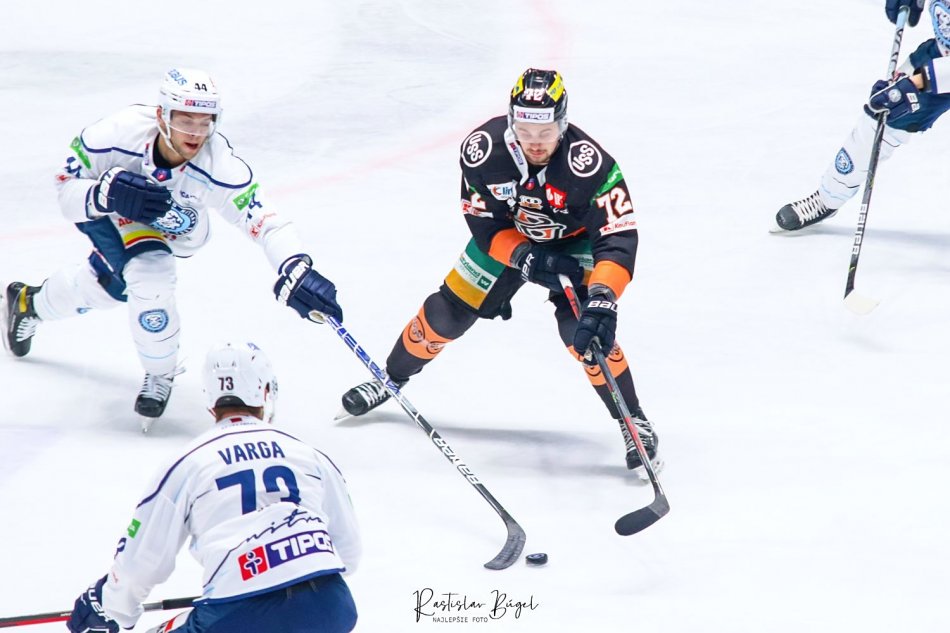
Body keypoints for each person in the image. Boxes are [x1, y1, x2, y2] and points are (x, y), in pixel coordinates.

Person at [338, 68, 659, 473]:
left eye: (545, 132)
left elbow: (617, 236)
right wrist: (523, 255)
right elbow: (484, 223)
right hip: (510, 238)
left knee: (585, 332)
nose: (535, 142)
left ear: (563, 124)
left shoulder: (588, 165)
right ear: (511, 121)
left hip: (575, 245)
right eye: (525, 130)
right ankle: (391, 377)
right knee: (445, 314)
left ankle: (633, 420)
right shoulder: (483, 151)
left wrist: (603, 296)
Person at [1, 68, 341, 420]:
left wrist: (296, 266)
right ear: (162, 115)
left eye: (205, 122)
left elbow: (265, 221)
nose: (196, 133)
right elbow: (66, 190)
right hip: (109, 212)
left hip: (180, 230)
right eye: (185, 120)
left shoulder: (218, 163)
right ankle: (160, 372)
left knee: (111, 287)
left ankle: (29, 303)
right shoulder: (116, 133)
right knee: (150, 276)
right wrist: (103, 194)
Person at [66, 341, 361, 633]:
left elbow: (141, 563)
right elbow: (348, 552)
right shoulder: (309, 454)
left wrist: (110, 605)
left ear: (210, 399)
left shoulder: (188, 462)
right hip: (331, 606)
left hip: (240, 615)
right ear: (266, 391)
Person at [773, 0, 950, 232]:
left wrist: (916, 83)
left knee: (897, 97)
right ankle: (829, 197)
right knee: (884, 116)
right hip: (942, 55)